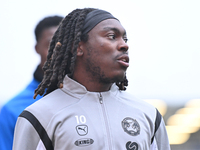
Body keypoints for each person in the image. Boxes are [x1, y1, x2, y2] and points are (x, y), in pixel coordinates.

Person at [13, 8, 170, 150]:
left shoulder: (148, 115)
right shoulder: (39, 117)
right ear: (78, 47)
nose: (124, 45)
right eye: (112, 36)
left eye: (125, 39)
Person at [0, 15, 63, 150]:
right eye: (51, 45)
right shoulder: (12, 110)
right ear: (37, 48)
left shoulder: (92, 97)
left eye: (64, 45)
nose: (58, 52)